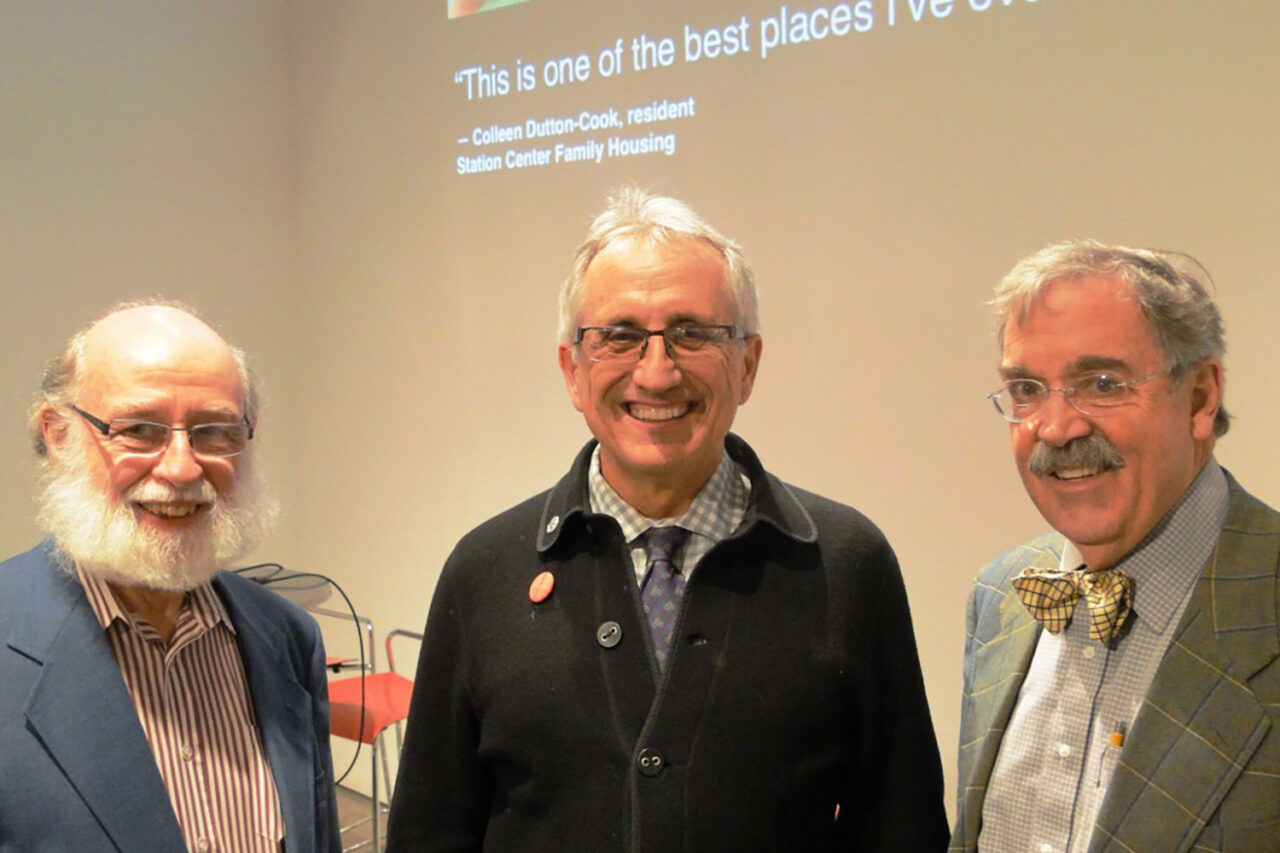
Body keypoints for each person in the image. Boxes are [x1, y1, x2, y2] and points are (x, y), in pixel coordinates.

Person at [386, 188, 948, 851]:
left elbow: (899, 825)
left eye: (691, 332)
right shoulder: (483, 572)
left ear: (747, 363)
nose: (656, 372)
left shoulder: (849, 564)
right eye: (619, 335)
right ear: (572, 369)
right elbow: (431, 830)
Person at [951, 240, 1280, 852]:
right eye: (1026, 388)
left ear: (1201, 397)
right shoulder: (1000, 594)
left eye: (1101, 383)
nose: (1055, 427)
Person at [0, 301, 340, 852]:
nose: (182, 468)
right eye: (138, 428)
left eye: (214, 432)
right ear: (59, 435)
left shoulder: (288, 638)